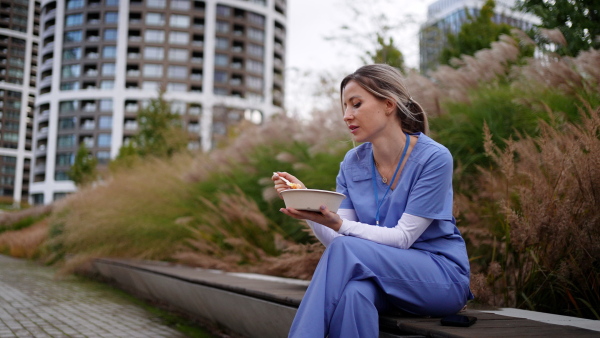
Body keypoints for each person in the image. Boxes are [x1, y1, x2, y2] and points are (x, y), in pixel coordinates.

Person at [272, 64, 474, 338]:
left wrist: (340, 225)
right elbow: (341, 241)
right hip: (382, 279)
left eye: (356, 104)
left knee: (346, 248)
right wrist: (310, 209)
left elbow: (402, 238)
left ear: (388, 104)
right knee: (354, 294)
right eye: (344, 106)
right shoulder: (352, 163)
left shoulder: (434, 158)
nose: (346, 116)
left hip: (438, 279)